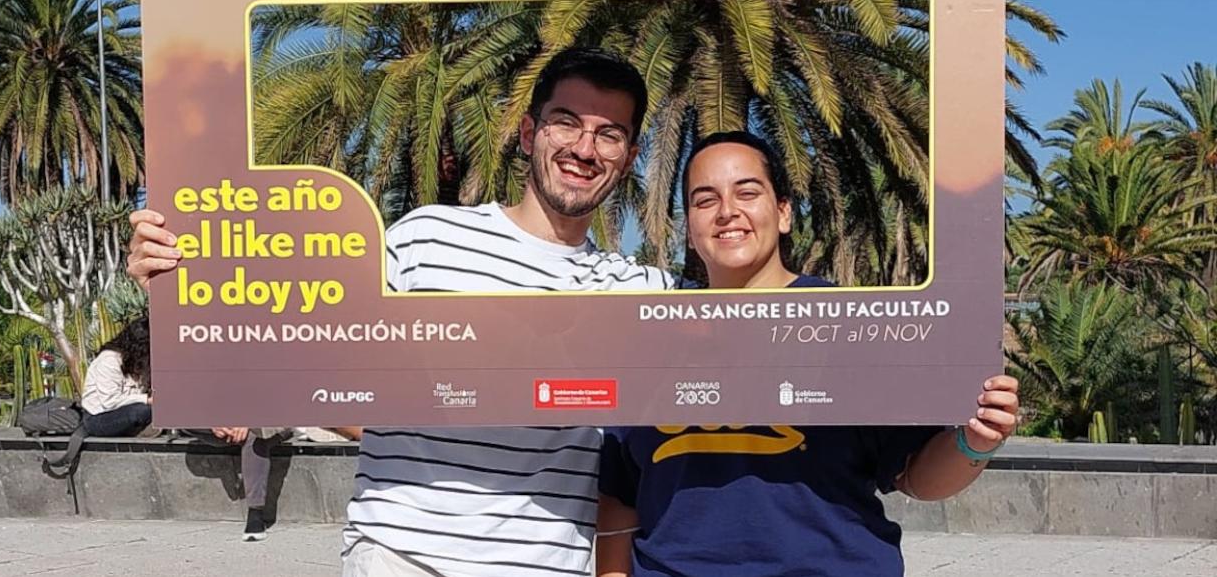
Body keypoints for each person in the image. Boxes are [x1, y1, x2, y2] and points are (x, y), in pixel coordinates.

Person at [125, 47, 672, 576]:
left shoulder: (642, 291)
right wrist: (176, 284)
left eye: (610, 134)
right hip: (399, 556)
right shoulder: (426, 239)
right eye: (566, 122)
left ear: (626, 160)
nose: (584, 147)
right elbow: (303, 355)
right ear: (529, 134)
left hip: (543, 564)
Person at [596, 131, 1020, 577]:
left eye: (747, 192)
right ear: (689, 227)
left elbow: (913, 475)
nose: (727, 212)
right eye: (705, 200)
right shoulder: (650, 337)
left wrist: (975, 441)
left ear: (783, 213)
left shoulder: (853, 326)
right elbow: (621, 494)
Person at [81, 317, 158, 438]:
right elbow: (110, 402)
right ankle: (141, 429)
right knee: (142, 411)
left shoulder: (141, 363)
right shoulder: (109, 361)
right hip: (100, 417)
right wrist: (146, 399)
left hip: (128, 410)